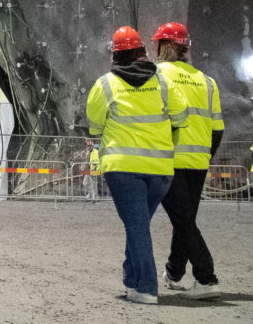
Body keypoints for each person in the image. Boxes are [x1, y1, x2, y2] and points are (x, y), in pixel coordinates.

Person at [86, 25, 188, 305]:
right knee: (138, 225)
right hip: (161, 173)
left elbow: (94, 125)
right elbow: (181, 117)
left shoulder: (106, 84)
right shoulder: (164, 83)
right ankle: (131, 279)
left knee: (137, 227)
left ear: (115, 56)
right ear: (143, 51)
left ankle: (145, 288)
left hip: (124, 170)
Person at [152, 22, 223, 300]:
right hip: (198, 161)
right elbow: (218, 129)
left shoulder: (157, 75)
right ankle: (174, 271)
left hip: (170, 160)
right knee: (185, 219)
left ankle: (206, 278)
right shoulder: (207, 81)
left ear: (164, 46)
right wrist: (205, 155)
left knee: (183, 220)